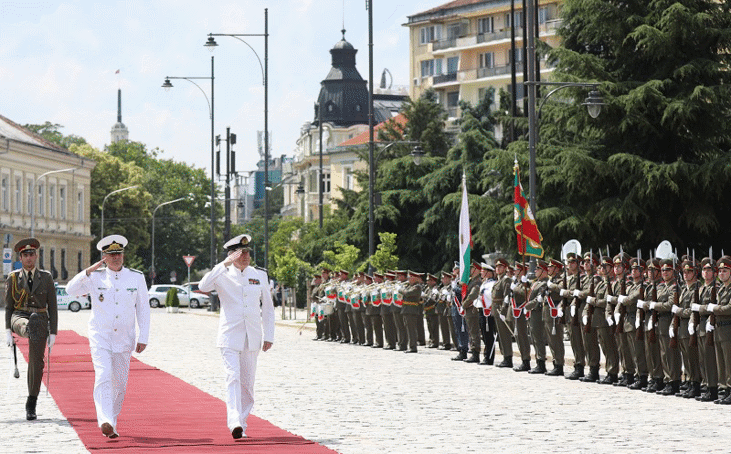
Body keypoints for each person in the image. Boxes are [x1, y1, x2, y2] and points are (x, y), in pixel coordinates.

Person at [66, 235, 150, 438]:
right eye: (111, 254)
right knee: (103, 375)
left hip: (124, 337)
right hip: (100, 336)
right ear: (104, 256)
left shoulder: (136, 277)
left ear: (123, 255)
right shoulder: (95, 278)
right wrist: (88, 271)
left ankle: (112, 418)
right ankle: (105, 420)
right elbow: (70, 290)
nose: (116, 258)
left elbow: (144, 309)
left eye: (118, 253)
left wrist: (143, 337)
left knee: (120, 384)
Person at [199, 233, 275, 439]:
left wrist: (269, 335)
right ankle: (234, 422)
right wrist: (223, 264)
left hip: (252, 336)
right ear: (232, 255)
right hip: (229, 335)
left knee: (247, 384)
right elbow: (203, 286)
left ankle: (241, 421)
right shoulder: (222, 273)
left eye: (247, 252)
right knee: (232, 377)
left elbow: (268, 307)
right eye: (241, 253)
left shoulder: (259, 274)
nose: (246, 256)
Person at [5, 237, 58, 420]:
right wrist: (6, 331)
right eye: (25, 255)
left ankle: (31, 402)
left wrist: (53, 332)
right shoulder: (13, 278)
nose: (29, 258)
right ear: (21, 258)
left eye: (32, 254)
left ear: (36, 256)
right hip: (19, 317)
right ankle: (28, 329)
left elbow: (53, 306)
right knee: (26, 323)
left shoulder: (46, 277)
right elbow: (9, 307)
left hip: (40, 318)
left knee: (37, 362)